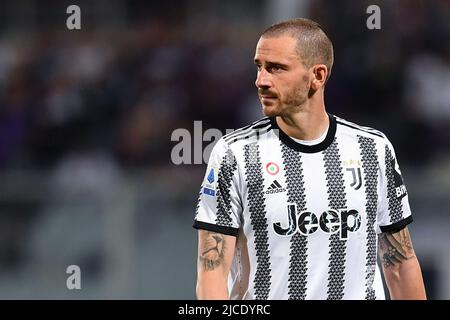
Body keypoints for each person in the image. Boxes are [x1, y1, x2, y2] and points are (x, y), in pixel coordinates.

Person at [193, 18, 426, 300]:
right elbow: (212, 271)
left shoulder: (372, 149)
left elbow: (400, 262)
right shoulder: (235, 154)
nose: (261, 80)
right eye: (259, 67)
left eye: (276, 68)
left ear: (317, 75)